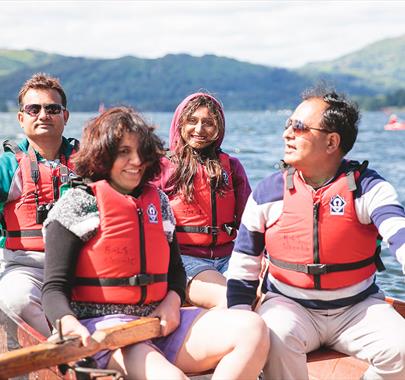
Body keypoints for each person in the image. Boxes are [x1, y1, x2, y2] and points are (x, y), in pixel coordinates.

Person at [42, 106, 269, 379]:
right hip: (107, 331)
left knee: (252, 327)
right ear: (103, 153)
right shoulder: (77, 205)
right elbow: (54, 288)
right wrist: (67, 323)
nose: (136, 161)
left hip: (159, 323)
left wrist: (173, 301)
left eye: (141, 152)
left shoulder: (158, 202)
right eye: (124, 152)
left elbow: (175, 272)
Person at [226, 86, 405, 380]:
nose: (286, 134)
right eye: (288, 126)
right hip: (288, 305)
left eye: (298, 127)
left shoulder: (368, 188)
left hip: (358, 308)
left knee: (400, 349)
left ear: (332, 141)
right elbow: (244, 263)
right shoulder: (268, 192)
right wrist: (239, 316)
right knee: (274, 339)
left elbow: (399, 234)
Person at [154, 93, 251, 308]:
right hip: (185, 260)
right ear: (180, 123)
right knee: (232, 299)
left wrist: (259, 258)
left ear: (219, 128)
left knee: (265, 295)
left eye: (208, 123)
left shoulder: (232, 167)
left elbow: (249, 221)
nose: (199, 129)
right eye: (192, 121)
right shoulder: (161, 167)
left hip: (229, 257)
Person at [0, 73, 77, 336]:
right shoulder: (8, 166)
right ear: (21, 118)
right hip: (27, 266)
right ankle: (62, 353)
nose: (43, 115)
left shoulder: (88, 162)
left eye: (52, 109)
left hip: (81, 266)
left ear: (65, 116)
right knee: (16, 300)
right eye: (34, 109)